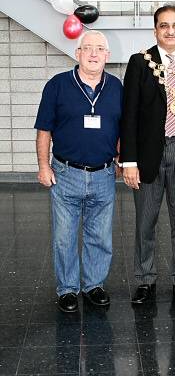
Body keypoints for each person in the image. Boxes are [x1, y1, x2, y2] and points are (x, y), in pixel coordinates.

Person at [120, 5, 175, 305]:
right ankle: (145, 280)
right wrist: (128, 161)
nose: (170, 31)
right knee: (145, 221)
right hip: (148, 153)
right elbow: (129, 115)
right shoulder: (140, 63)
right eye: (164, 25)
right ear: (155, 30)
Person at [34, 30, 123, 313]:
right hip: (65, 173)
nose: (94, 53)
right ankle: (68, 289)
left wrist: (121, 159)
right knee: (64, 236)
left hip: (104, 174)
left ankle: (94, 285)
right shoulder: (58, 85)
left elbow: (122, 128)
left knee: (100, 236)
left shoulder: (117, 87)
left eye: (100, 49)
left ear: (107, 56)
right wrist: (43, 165)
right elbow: (44, 130)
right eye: (88, 48)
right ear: (78, 53)